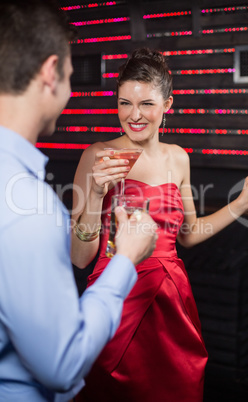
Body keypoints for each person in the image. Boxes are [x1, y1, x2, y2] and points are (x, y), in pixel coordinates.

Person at [71, 47, 248, 401]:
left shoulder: (179, 158)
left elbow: (190, 235)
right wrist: (96, 195)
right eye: (124, 103)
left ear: (168, 105)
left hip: (172, 301)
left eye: (146, 103)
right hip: (118, 298)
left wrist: (241, 203)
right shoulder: (98, 156)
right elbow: (80, 257)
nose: (133, 115)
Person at [0, 2, 158, 401]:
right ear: (51, 73)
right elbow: (62, 364)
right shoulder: (27, 205)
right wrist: (126, 259)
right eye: (71, 74)